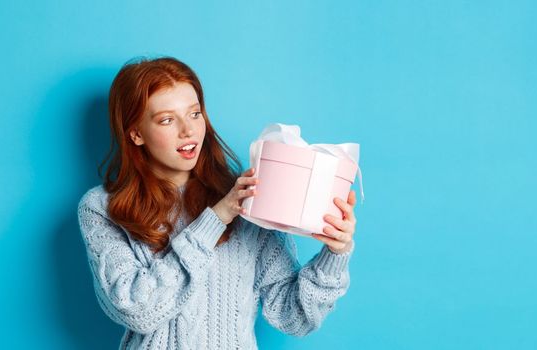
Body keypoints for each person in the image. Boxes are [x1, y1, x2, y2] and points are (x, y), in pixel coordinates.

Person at [77, 56, 358, 349]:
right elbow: (138, 311)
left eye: (195, 114)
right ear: (135, 133)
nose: (188, 130)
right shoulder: (102, 209)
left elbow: (293, 317)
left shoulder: (246, 199)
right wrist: (215, 220)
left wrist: (335, 253)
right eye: (167, 119)